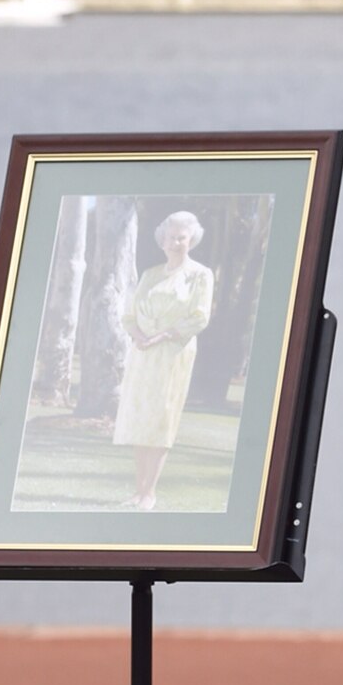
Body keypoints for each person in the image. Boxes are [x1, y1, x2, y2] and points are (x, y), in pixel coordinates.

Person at [113, 210, 214, 510]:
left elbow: (200, 316)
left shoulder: (200, 274)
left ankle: (150, 493)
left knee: (161, 418)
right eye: (171, 237)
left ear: (191, 239)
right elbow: (129, 314)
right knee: (140, 417)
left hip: (173, 354)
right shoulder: (150, 274)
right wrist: (138, 336)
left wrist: (163, 336)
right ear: (163, 240)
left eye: (182, 237)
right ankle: (137, 490)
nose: (176, 243)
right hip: (142, 354)